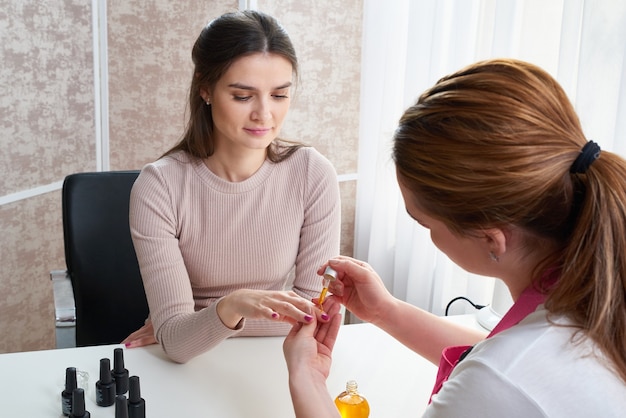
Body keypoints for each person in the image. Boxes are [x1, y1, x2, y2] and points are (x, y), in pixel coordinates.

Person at [283, 58, 626, 417]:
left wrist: (306, 376)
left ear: (492, 240)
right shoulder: (595, 294)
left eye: (426, 224)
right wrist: (386, 312)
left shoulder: (501, 380)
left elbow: (500, 380)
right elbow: (510, 369)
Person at [122, 10, 340, 364]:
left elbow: (314, 317)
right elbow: (177, 347)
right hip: (189, 369)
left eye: (279, 95)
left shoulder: (313, 173)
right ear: (205, 88)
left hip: (274, 361)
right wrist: (225, 310)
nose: (264, 115)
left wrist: (195, 323)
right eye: (243, 96)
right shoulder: (159, 186)